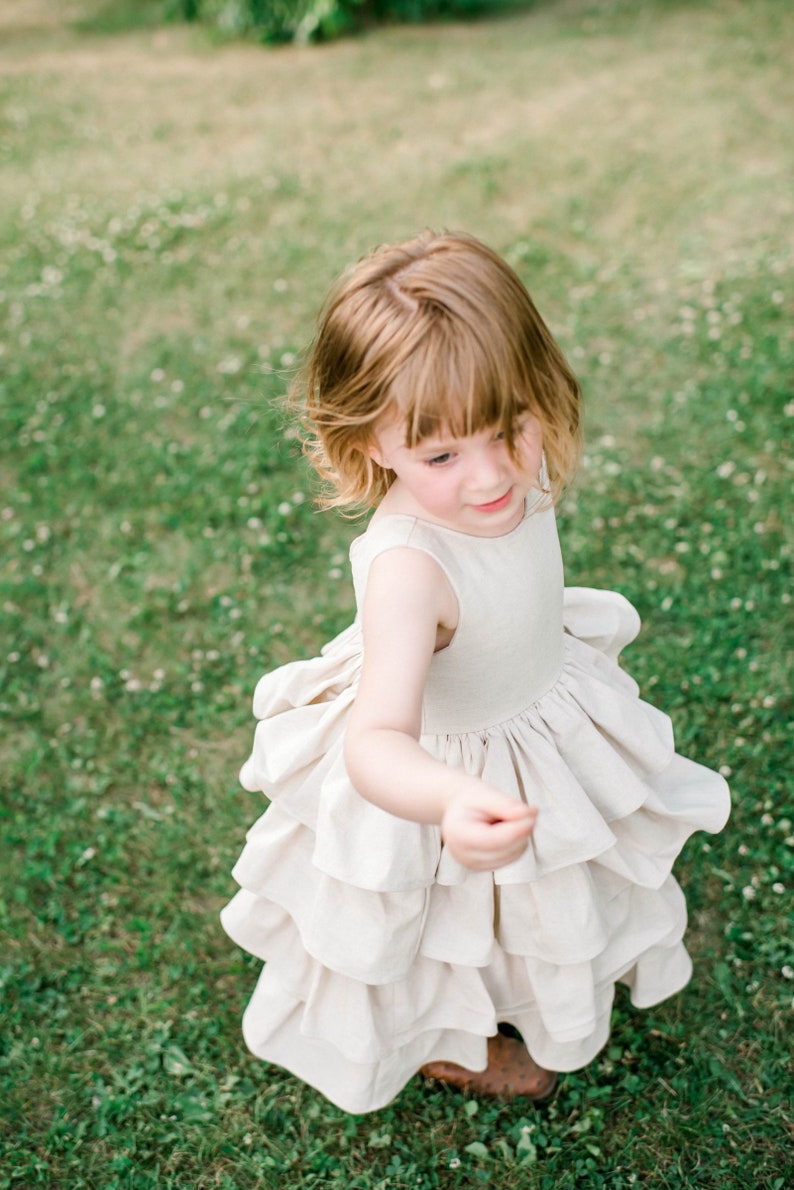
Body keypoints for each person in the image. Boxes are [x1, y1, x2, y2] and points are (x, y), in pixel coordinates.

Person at [220, 231, 730, 1115]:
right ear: (371, 440)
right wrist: (446, 798)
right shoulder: (411, 571)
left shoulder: (509, 476)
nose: (493, 475)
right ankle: (454, 1035)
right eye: (442, 455)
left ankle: (522, 987)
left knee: (542, 889)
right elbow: (377, 737)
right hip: (443, 760)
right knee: (449, 918)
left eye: (509, 427)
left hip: (531, 714)